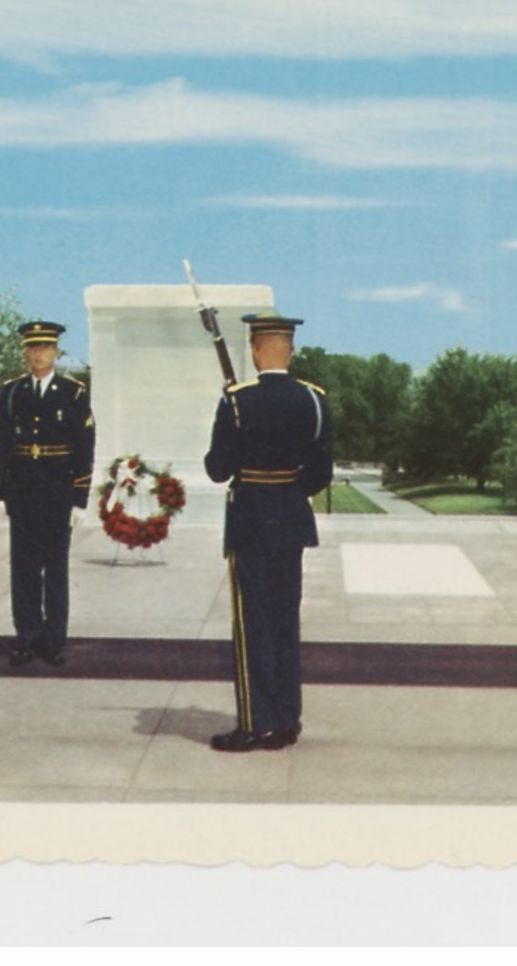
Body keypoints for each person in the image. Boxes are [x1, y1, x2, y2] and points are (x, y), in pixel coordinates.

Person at [203, 313, 333, 752]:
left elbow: (217, 470)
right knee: (284, 620)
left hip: (251, 521)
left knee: (252, 622)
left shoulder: (237, 401)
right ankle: (286, 719)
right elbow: (320, 472)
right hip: (291, 520)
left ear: (256, 350)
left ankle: (256, 724)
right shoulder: (314, 400)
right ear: (290, 350)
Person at [0, 320, 96, 667]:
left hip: (57, 491)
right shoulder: (12, 392)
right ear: (25, 352)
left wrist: (79, 498)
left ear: (56, 351)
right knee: (24, 569)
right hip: (22, 491)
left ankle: (54, 641)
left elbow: (84, 447)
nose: (38, 354)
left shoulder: (73, 393)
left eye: (45, 347)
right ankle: (27, 638)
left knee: (56, 569)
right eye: (32, 348)